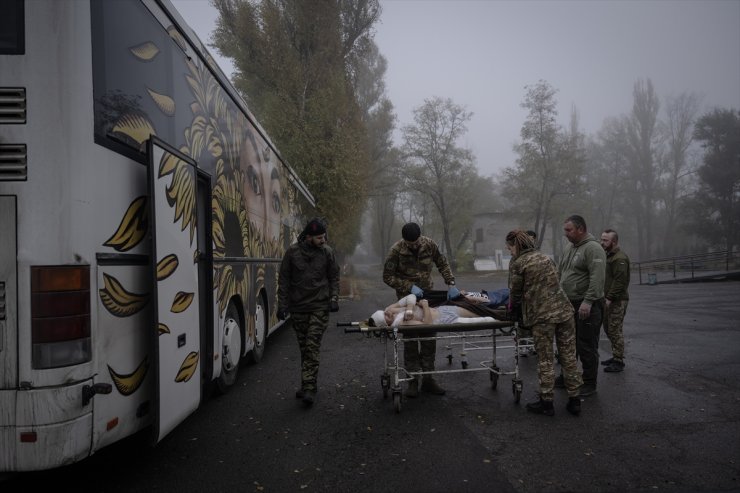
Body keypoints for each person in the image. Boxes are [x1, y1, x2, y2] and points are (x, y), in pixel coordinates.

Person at [506, 230, 582, 416]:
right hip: (565, 312)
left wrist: (512, 311)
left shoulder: (519, 263)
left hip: (543, 317)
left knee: (546, 359)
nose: (509, 252)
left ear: (516, 245)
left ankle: (547, 403)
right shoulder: (545, 257)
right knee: (569, 357)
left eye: (509, 248)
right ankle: (575, 401)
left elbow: (515, 293)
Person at [382, 222, 458, 397]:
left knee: (429, 335)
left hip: (427, 296)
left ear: (420, 237)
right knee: (410, 338)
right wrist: (408, 286)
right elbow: (387, 276)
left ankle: (428, 379)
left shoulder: (429, 244)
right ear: (404, 241)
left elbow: (442, 263)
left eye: (416, 242)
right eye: (410, 244)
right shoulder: (396, 251)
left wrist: (451, 283)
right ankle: (413, 380)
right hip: (406, 300)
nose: (414, 246)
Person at [277, 218, 340, 407]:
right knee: (304, 348)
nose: (323, 240)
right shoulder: (292, 253)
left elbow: (334, 277)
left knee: (312, 346)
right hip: (298, 308)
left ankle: (310, 388)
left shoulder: (327, 253)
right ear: (309, 237)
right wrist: (282, 305)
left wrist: (334, 299)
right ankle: (306, 385)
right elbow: (284, 280)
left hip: (319, 307)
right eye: (319, 237)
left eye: (324, 236)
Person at [556, 215, 606, 397]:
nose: (566, 234)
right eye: (565, 230)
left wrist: (588, 301)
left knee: (586, 345)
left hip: (586, 305)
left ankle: (589, 383)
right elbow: (561, 271)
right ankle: (567, 376)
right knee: (567, 344)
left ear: (581, 229)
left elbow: (597, 278)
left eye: (569, 230)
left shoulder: (593, 248)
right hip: (568, 303)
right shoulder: (570, 246)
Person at [368, 294, 495, 328]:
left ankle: (496, 303)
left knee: (481, 309)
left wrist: (410, 309)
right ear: (387, 323)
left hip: (443, 309)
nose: (388, 313)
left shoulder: (391, 310)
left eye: (384, 312)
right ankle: (505, 315)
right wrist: (425, 306)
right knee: (488, 319)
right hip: (445, 319)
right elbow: (428, 325)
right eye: (386, 316)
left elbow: (411, 297)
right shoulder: (401, 322)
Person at [600, 229, 630, 373]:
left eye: (605, 240)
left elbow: (620, 281)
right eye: (602, 239)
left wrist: (609, 298)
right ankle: (615, 355)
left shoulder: (620, 258)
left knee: (615, 330)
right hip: (608, 299)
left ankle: (619, 361)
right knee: (608, 328)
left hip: (617, 300)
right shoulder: (609, 256)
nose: (602, 242)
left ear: (614, 241)